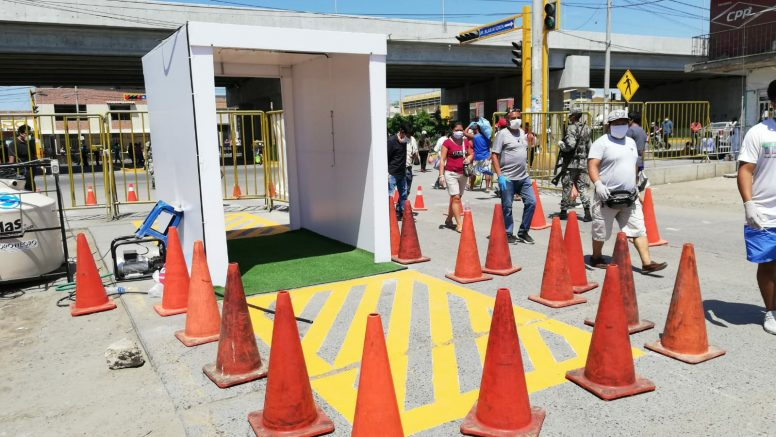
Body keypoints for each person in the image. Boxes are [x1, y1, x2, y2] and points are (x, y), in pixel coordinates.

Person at [587, 109, 667, 273]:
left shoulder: (630, 142)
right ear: (610, 125)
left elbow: (635, 164)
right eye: (617, 123)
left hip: (630, 196)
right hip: (606, 196)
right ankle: (596, 257)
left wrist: (638, 184)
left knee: (638, 228)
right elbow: (592, 165)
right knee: (601, 231)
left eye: (623, 122)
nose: (621, 126)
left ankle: (647, 263)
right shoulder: (601, 143)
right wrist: (598, 184)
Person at [737, 79, 776, 335]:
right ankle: (771, 311)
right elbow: (745, 170)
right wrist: (749, 203)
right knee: (769, 264)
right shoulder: (760, 132)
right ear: (773, 103)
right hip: (765, 212)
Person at [492, 109, 537, 244]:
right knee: (507, 206)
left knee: (531, 202)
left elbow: (530, 146)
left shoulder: (523, 132)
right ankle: (508, 232)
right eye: (513, 118)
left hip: (523, 177)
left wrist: (531, 140)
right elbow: (495, 155)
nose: (516, 120)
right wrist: (499, 175)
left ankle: (523, 232)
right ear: (507, 120)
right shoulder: (502, 134)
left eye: (518, 117)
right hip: (507, 178)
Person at [558, 108, 593, 222]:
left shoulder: (570, 128)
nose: (569, 118)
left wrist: (562, 145)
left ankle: (563, 211)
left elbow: (571, 145)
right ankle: (587, 213)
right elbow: (590, 146)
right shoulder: (586, 128)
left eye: (570, 116)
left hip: (570, 163)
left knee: (567, 186)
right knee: (583, 187)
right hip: (583, 163)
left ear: (573, 116)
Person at [438, 122, 473, 232]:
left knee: (456, 198)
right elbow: (442, 160)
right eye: (457, 130)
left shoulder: (465, 141)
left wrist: (469, 159)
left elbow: (471, 153)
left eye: (461, 130)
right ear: (452, 130)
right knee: (456, 198)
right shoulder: (447, 143)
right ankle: (459, 224)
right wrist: (441, 175)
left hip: (463, 173)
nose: (460, 132)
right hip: (451, 173)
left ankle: (449, 219)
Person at [387, 121, 413, 220]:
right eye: (407, 135)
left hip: (402, 173)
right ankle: (389, 214)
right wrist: (387, 173)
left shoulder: (406, 141)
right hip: (392, 173)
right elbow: (387, 157)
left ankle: (403, 213)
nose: (408, 137)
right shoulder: (391, 141)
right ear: (401, 131)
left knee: (403, 194)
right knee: (390, 195)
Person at [627, 112, 649, 199]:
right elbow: (643, 149)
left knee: (630, 183)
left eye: (628, 119)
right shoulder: (642, 130)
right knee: (635, 181)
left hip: (631, 160)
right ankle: (636, 198)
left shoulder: (630, 130)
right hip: (639, 159)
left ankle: (634, 199)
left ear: (632, 120)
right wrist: (642, 163)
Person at [5, 125, 34, 191]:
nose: (28, 135)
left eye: (29, 133)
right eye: (27, 134)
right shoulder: (14, 144)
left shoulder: (27, 143)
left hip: (29, 170)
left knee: (31, 189)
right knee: (24, 190)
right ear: (21, 133)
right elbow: (11, 159)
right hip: (20, 171)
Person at [465, 122, 491, 192]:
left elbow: (465, 133)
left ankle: (471, 187)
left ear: (476, 129)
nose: (473, 131)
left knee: (474, 173)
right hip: (486, 156)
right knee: (486, 172)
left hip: (477, 157)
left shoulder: (475, 137)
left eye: (473, 129)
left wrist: (469, 125)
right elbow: (490, 146)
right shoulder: (487, 137)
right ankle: (487, 187)